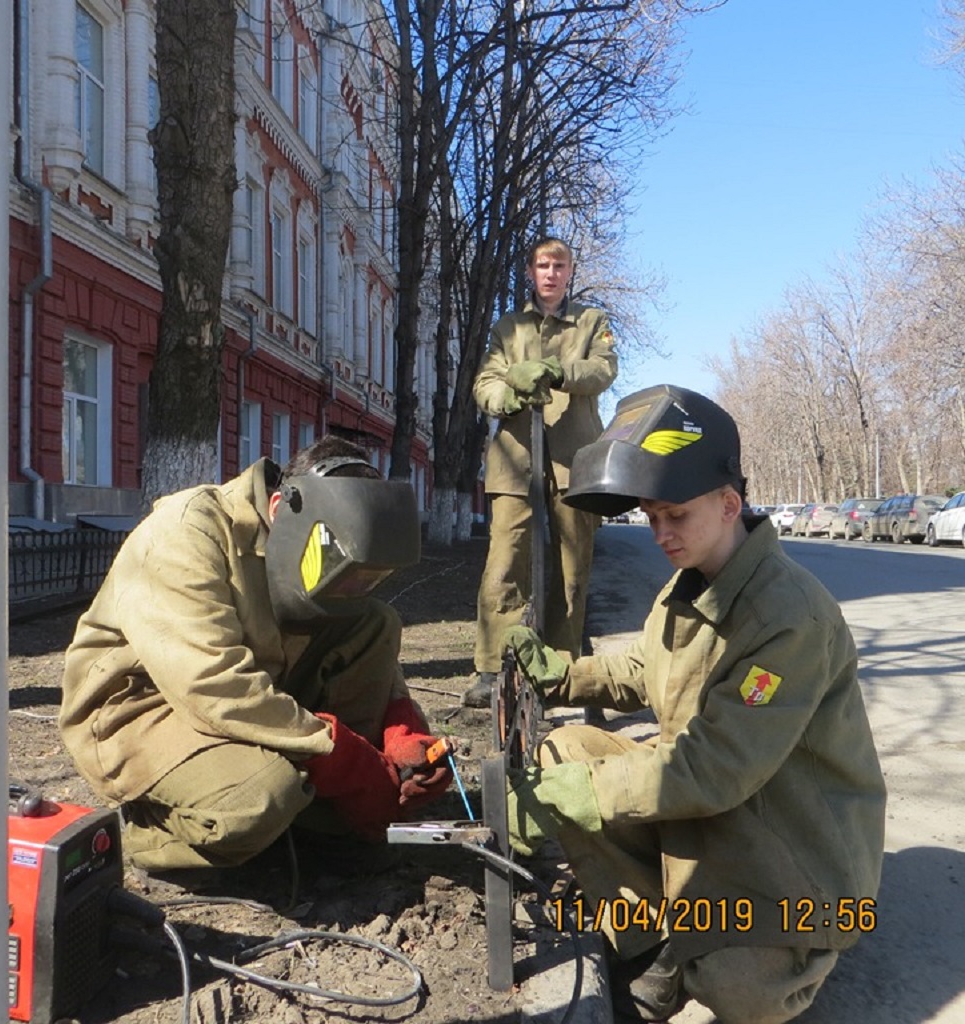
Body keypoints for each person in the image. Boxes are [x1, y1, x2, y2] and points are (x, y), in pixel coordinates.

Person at [502, 384, 886, 1023]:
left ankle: (803, 948)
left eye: (675, 515)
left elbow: (715, 767)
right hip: (717, 804)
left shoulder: (787, 614)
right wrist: (565, 676)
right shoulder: (693, 583)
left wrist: (586, 794)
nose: (660, 533)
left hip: (790, 840)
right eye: (652, 517)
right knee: (564, 749)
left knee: (736, 988)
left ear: (729, 503)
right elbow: (645, 666)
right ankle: (654, 941)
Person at [59, 436, 452, 874]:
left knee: (376, 621)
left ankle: (322, 812)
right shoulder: (188, 529)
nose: (355, 587)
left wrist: (401, 731)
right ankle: (149, 832)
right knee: (261, 799)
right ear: (281, 508)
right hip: (144, 706)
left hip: (255, 693)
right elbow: (211, 683)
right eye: (349, 573)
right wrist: (344, 757)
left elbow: (365, 640)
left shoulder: (316, 544)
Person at [464, 235, 618, 708]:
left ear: (570, 272)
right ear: (530, 272)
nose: (550, 273)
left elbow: (604, 369)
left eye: (559, 265)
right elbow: (485, 381)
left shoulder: (591, 322)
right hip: (514, 456)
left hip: (574, 459)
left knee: (571, 569)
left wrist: (556, 372)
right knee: (505, 560)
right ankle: (493, 666)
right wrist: (505, 396)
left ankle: (561, 668)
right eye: (542, 265)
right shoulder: (507, 328)